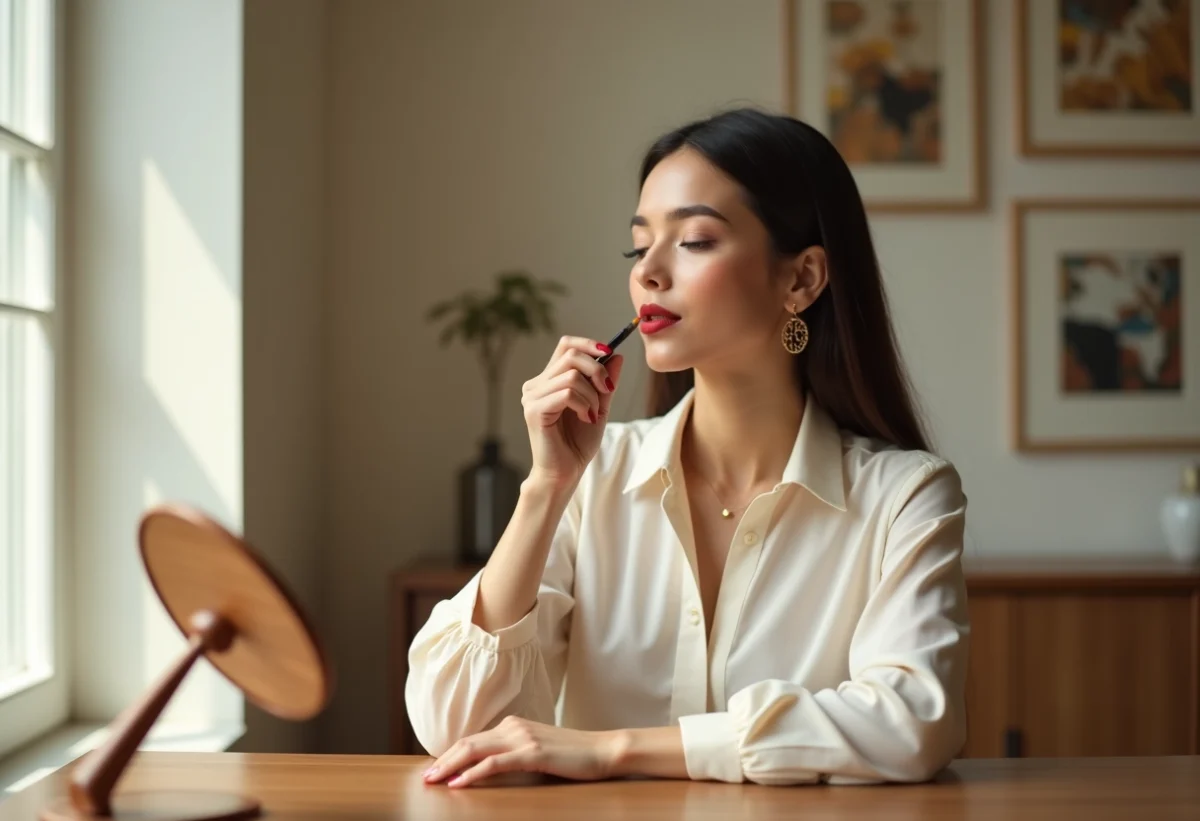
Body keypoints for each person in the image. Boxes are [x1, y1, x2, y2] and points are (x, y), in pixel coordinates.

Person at [407, 107, 969, 788]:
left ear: (802, 279)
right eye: (637, 247)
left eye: (695, 240)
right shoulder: (594, 475)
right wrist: (545, 486)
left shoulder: (906, 495)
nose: (648, 271)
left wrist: (611, 749)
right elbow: (453, 725)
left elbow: (914, 722)